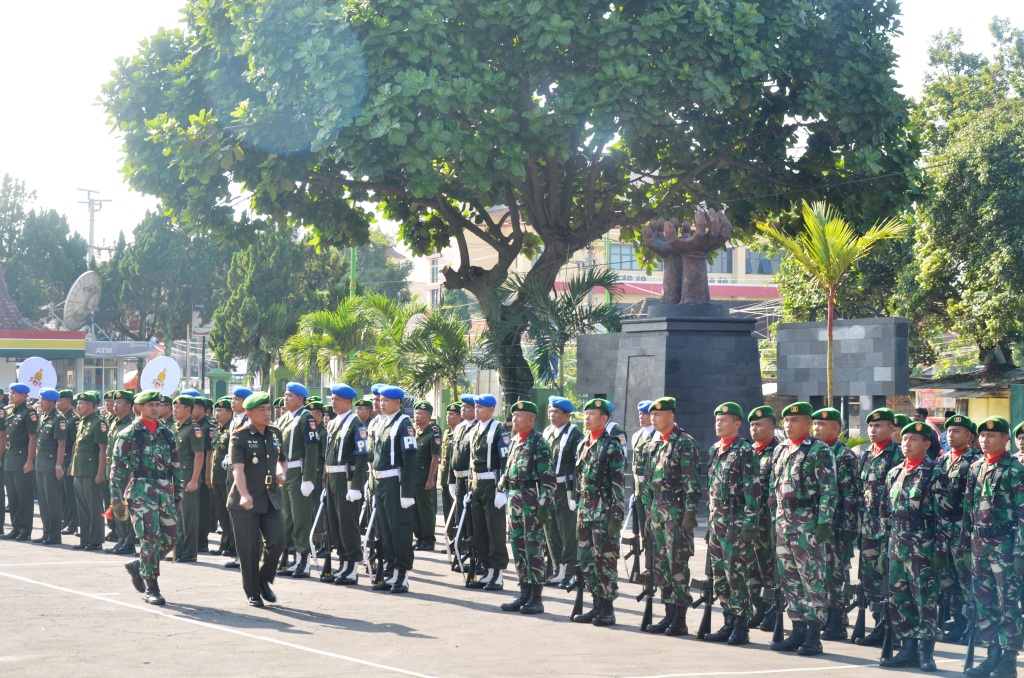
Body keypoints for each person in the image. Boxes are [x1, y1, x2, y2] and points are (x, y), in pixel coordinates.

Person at [878, 421, 952, 671]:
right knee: (899, 601)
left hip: (924, 550)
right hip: (897, 548)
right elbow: (885, 516)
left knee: (925, 601)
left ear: (927, 444)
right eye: (905, 438)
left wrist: (941, 551)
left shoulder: (935, 473)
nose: (906, 444)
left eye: (914, 440)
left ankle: (926, 651)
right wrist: (883, 549)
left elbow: (944, 518)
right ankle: (907, 646)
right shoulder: (894, 473)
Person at [768, 402, 836, 656]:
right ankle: (797, 629)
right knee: (790, 580)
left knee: (812, 580)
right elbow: (774, 489)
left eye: (794, 421)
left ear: (808, 424)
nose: (788, 426)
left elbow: (829, 491)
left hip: (807, 523)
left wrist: (823, 525)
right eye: (785, 421)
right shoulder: (781, 449)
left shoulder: (818, 451)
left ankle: (813, 634)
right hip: (784, 521)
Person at [961, 416, 1024, 678]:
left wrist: (1020, 551)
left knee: (1007, 602)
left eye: (993, 435)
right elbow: (967, 509)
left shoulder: (1014, 470)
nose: (985, 440)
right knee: (984, 601)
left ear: (1006, 439)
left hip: (1005, 544)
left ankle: (1008, 659)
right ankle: (992, 654)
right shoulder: (976, 467)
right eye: (982, 436)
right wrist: (966, 545)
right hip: (979, 545)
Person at [110, 390, 181, 605]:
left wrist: (178, 492)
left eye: (157, 405)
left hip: (164, 490)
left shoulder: (167, 434)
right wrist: (115, 500)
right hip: (141, 490)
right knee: (149, 537)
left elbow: (176, 466)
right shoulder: (128, 434)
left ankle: (138, 565)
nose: (155, 408)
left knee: (170, 537)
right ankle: (152, 586)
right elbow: (117, 470)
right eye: (150, 405)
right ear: (138, 407)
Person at [702, 402, 760, 645]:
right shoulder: (715, 449)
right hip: (718, 523)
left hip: (736, 524)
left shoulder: (745, 451)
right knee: (720, 577)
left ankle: (741, 625)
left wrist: (749, 525)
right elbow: (712, 491)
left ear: (737, 424)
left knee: (737, 576)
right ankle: (728, 620)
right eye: (717, 419)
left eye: (724, 420)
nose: (719, 423)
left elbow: (753, 491)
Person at [227, 392, 287, 608]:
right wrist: (244, 494)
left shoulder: (275, 433)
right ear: (250, 413)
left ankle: (263, 579)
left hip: (271, 497)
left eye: (268, 409)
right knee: (248, 549)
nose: (267, 413)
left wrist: (282, 473)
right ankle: (252, 591)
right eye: (262, 410)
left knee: (278, 540)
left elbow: (282, 460)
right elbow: (238, 470)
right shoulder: (239, 436)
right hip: (246, 500)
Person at [572, 398, 627, 627]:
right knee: (587, 561)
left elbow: (617, 484)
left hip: (604, 512)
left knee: (605, 561)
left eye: (592, 414)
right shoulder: (584, 443)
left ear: (604, 419)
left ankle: (607, 609)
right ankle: (596, 605)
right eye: (586, 414)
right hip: (585, 511)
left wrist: (616, 516)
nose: (586, 417)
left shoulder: (611, 445)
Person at [498, 400, 556, 614]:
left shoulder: (538, 442)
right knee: (518, 547)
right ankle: (524, 591)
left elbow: (549, 480)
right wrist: (503, 481)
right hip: (514, 500)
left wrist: (544, 506)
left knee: (533, 550)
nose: (514, 419)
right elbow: (510, 468)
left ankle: (536, 597)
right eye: (514, 415)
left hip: (531, 503)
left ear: (532, 419)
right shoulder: (514, 441)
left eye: (520, 416)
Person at [855, 407, 904, 647]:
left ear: (892, 429)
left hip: (889, 528)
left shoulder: (897, 456)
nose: (873, 430)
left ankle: (894, 628)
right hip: (868, 527)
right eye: (871, 426)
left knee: (890, 580)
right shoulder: (865, 456)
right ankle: (879, 623)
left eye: (879, 426)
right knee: (870, 579)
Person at [812, 407, 860, 641]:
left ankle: (837, 619)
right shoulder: (815, 452)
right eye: (815, 424)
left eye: (822, 425)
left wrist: (849, 527)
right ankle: (824, 614)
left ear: (837, 429)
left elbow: (850, 494)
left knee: (835, 573)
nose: (817, 428)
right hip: (817, 523)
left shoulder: (844, 455)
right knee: (820, 572)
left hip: (837, 525)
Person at [370, 385, 418, 593]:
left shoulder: (403, 424)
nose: (382, 403)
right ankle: (391, 570)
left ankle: (402, 574)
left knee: (399, 529)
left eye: (386, 400)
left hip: (394, 482)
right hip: (380, 482)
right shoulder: (381, 423)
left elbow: (409, 460)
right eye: (380, 400)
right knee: (386, 530)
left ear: (397, 403)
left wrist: (406, 492)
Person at [938, 414, 981, 643]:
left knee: (966, 579)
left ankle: (972, 624)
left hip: (963, 529)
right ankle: (958, 620)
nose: (951, 435)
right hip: (944, 530)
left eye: (957, 431)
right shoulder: (943, 460)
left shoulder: (975, 461)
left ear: (969, 436)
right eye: (949, 431)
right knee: (948, 579)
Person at [323, 384, 368, 585]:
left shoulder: (356, 424)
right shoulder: (333, 423)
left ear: (348, 402)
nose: (333, 402)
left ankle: (352, 566)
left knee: (348, 524)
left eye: (337, 399)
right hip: (333, 478)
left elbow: (361, 457)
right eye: (332, 398)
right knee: (335, 523)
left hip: (346, 479)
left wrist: (356, 487)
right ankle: (342, 563)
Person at [468, 393, 510, 591]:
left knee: (495, 530)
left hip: (492, 484)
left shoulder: (498, 430)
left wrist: (502, 490)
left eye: (481, 407)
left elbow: (505, 462)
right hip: (476, 484)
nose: (477, 410)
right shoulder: (475, 429)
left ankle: (498, 573)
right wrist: (470, 485)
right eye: (475, 407)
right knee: (479, 530)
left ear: (491, 410)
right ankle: (487, 569)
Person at [277, 382, 320, 578]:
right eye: (285, 395)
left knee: (300, 518)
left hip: (298, 472)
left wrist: (308, 478)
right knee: (287, 518)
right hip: (286, 472)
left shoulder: (306, 417)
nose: (286, 399)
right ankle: (292, 556)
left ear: (301, 399)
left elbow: (312, 449)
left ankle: (304, 560)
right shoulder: (284, 419)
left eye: (290, 396)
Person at [542, 396, 583, 588]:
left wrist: (575, 495)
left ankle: (571, 571)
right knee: (553, 531)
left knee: (568, 531)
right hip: (550, 488)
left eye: (556, 412)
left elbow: (578, 467)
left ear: (567, 415)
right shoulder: (548, 432)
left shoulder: (574, 435)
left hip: (565, 489)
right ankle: (559, 569)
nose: (551, 415)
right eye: (550, 411)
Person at [748, 405, 781, 631]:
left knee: (769, 569)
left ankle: (771, 609)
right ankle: (757, 607)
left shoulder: (778, 452)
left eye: (759, 425)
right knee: (752, 567)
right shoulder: (749, 452)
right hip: (750, 522)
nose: (754, 429)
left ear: (772, 427)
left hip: (769, 522)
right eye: (752, 425)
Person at [70, 391, 108, 550]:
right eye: (78, 403)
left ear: (91, 405)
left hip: (91, 471)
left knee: (94, 507)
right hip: (79, 470)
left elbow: (102, 449)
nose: (78, 405)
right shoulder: (83, 421)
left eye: (82, 403)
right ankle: (85, 539)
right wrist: (71, 465)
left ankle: (96, 540)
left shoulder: (98, 423)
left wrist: (100, 472)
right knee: (83, 507)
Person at [0, 383, 38, 541]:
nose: (11, 395)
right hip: (10, 457)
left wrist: (29, 460)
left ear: (23, 395)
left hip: (22, 457)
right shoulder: (10, 411)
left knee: (24, 496)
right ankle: (15, 527)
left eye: (15, 393)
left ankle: (25, 529)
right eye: (11, 392)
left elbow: (32, 438)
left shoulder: (29, 412)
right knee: (13, 496)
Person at [32, 388, 68, 545]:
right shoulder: (43, 417)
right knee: (43, 501)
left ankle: (54, 535)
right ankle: (46, 532)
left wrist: (58, 466)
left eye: (43, 399)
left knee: (53, 501)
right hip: (40, 464)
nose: (40, 402)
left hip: (51, 464)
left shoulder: (58, 419)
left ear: (51, 402)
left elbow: (61, 445)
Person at [171, 395, 204, 562]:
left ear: (188, 410)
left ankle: (190, 552)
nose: (174, 410)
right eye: (174, 407)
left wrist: (194, 480)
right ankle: (179, 550)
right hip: (175, 476)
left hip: (187, 475)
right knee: (177, 515)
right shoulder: (176, 427)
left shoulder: (193, 429)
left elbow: (199, 455)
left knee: (189, 516)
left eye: (178, 407)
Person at [106, 390, 138, 555]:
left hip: (126, 472)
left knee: (127, 507)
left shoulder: (132, 424)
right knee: (117, 506)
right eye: (114, 402)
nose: (114, 405)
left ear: (128, 406)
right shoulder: (114, 422)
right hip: (114, 471)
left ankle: (129, 542)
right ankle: (121, 539)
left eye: (118, 402)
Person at [412, 401, 442, 552]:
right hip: (413, 477)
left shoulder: (433, 432)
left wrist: (431, 479)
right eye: (416, 413)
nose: (417, 416)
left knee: (426, 510)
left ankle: (429, 540)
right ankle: (420, 538)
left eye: (420, 413)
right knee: (414, 509)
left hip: (425, 477)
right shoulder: (414, 432)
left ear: (429, 416)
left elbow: (435, 458)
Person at [209, 398, 236, 560]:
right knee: (221, 513)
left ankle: (232, 544)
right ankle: (224, 543)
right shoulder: (218, 429)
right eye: (216, 411)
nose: (217, 414)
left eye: (220, 411)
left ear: (229, 413)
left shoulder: (232, 428)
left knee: (229, 512)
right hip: (217, 475)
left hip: (227, 476)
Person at [438, 402, 462, 554]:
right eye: (447, 414)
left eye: (452, 414)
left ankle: (458, 540)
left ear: (459, 417)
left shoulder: (460, 432)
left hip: (456, 477)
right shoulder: (447, 433)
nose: (448, 417)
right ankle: (450, 538)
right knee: (448, 509)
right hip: (446, 476)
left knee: (457, 510)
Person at [57, 389, 80, 537]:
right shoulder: (62, 417)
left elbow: (74, 443)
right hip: (62, 459)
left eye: (61, 400)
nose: (58, 403)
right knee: (63, 494)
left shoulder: (74, 419)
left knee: (71, 495)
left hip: (68, 460)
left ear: (69, 401)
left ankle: (73, 524)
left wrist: (71, 463)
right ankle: (66, 521)